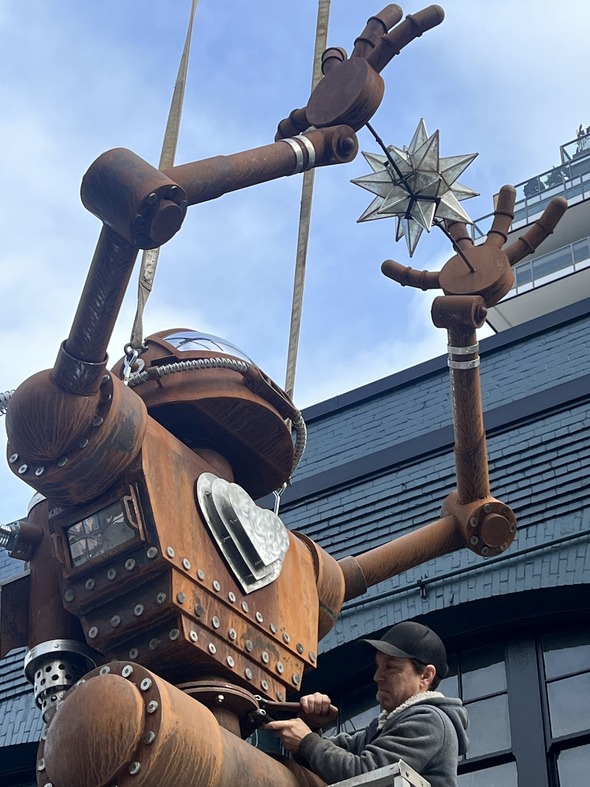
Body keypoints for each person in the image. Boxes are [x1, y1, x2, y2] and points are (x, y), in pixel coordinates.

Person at [263, 621, 468, 787]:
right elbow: (329, 761)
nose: (377, 676)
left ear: (426, 675)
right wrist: (311, 727)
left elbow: (366, 774)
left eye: (390, 667)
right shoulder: (384, 727)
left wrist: (307, 740)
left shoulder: (429, 721)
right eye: (378, 666)